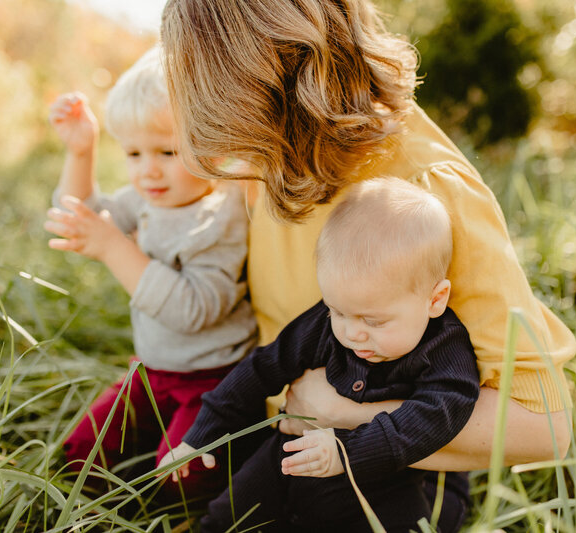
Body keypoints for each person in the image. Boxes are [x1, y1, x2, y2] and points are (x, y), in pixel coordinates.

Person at [160, 0, 576, 530]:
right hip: (284, 453)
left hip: (395, 478)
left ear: (269, 82)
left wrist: (343, 416)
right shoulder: (265, 161)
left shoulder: (424, 191)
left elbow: (546, 428)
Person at [160, 178, 481, 532]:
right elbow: (263, 367)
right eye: (338, 312)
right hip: (291, 453)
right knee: (226, 517)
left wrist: (347, 452)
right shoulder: (328, 322)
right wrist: (201, 434)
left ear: (434, 300)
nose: (351, 332)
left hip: (387, 478)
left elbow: (436, 416)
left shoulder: (445, 350)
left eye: (373, 321)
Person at [44, 48, 258, 494]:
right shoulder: (145, 200)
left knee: (180, 476)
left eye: (167, 151)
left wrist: (114, 247)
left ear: (212, 144)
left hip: (214, 376)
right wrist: (81, 151)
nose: (148, 172)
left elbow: (193, 309)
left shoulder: (220, 216)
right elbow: (79, 215)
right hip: (152, 368)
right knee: (80, 454)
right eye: (134, 153)